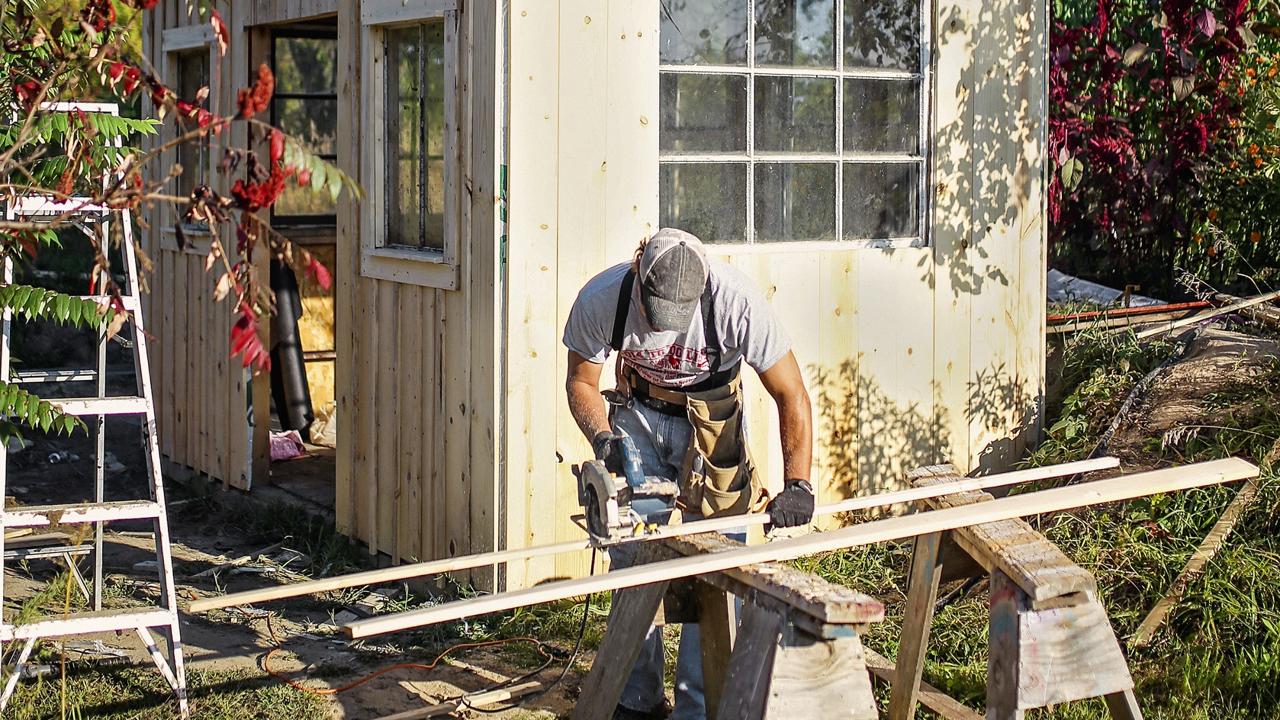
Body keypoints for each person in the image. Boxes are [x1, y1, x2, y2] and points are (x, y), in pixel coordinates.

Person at [562, 227, 816, 719]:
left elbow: (791, 393)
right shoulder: (604, 299)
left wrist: (798, 483)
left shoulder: (736, 302)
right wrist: (604, 440)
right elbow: (581, 381)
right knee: (631, 555)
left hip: (713, 419)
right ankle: (636, 700)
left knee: (720, 566)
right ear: (639, 274)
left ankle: (702, 708)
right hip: (637, 414)